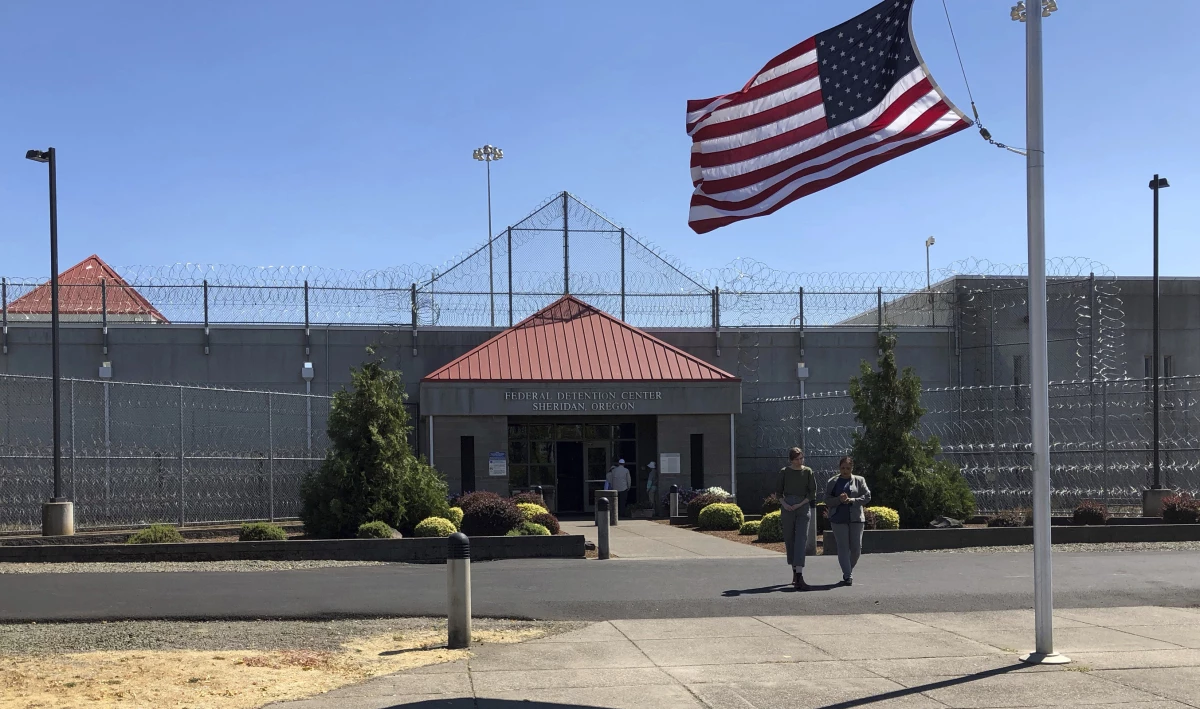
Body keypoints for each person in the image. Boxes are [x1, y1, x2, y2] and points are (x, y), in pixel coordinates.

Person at [825, 455, 871, 586]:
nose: (845, 471)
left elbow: (867, 496)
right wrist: (838, 500)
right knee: (843, 547)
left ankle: (848, 568)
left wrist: (852, 500)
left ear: (852, 468)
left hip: (856, 518)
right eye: (842, 468)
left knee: (856, 548)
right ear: (839, 468)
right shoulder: (832, 482)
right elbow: (827, 500)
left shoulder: (859, 480)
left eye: (848, 468)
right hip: (838, 519)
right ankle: (847, 575)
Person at [777, 447, 817, 591]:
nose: (800, 461)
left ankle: (800, 575)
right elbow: (778, 492)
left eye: (802, 458)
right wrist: (785, 504)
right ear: (791, 460)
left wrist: (800, 504)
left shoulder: (808, 472)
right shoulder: (784, 472)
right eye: (797, 459)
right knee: (790, 539)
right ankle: (794, 572)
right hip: (787, 506)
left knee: (801, 539)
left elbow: (812, 492)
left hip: (803, 506)